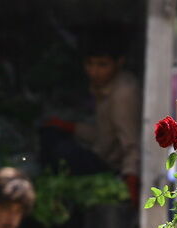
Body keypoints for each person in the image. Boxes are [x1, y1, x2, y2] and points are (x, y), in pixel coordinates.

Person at [40, 30, 141, 207]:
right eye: (90, 64)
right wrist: (69, 126)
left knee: (62, 152)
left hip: (110, 168)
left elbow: (131, 145)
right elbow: (105, 134)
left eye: (102, 65)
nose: (94, 71)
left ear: (119, 63)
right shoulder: (103, 87)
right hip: (100, 153)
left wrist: (130, 180)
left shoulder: (123, 95)